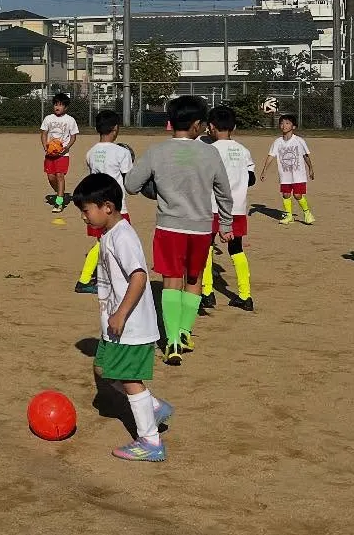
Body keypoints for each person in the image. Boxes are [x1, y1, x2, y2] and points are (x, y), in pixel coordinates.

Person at [72, 173, 173, 462]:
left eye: (86, 210)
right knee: (104, 369)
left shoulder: (124, 236)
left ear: (107, 206)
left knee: (130, 379)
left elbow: (139, 277)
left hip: (129, 325)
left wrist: (121, 313)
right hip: (115, 325)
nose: (84, 217)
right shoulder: (109, 234)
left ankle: (150, 441)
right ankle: (152, 405)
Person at [125, 95, 232, 367]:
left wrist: (157, 190)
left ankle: (171, 340)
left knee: (171, 280)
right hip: (200, 228)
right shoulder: (210, 152)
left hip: (169, 227)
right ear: (197, 124)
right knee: (193, 279)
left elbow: (131, 184)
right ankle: (185, 332)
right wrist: (227, 223)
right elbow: (224, 192)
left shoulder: (157, 151)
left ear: (171, 122)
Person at [199, 106, 257, 312]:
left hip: (213, 207)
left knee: (206, 246)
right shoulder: (243, 150)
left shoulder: (208, 150)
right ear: (234, 127)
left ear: (211, 127)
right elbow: (251, 179)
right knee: (237, 249)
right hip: (238, 207)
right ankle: (245, 295)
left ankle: (207, 293)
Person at [76, 110, 132, 293]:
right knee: (109, 242)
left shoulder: (91, 152)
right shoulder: (121, 152)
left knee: (103, 241)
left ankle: (100, 276)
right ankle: (85, 279)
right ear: (115, 129)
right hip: (114, 205)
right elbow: (129, 179)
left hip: (95, 204)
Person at [258, 114, 315, 225]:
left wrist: (311, 168)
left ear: (293, 127)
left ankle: (307, 213)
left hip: (298, 174)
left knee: (298, 195)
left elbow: (305, 156)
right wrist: (264, 170)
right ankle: (289, 216)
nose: (284, 125)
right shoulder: (277, 142)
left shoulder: (299, 141)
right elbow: (271, 156)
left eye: (287, 123)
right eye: (282, 123)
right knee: (286, 194)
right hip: (285, 174)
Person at [39, 92, 80, 213]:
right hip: (50, 154)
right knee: (51, 177)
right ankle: (60, 193)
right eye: (56, 104)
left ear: (66, 107)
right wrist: (45, 146)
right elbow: (44, 133)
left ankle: (59, 202)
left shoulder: (70, 120)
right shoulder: (48, 118)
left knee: (59, 176)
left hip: (63, 155)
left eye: (61, 105)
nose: (57, 107)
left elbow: (73, 136)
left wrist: (66, 147)